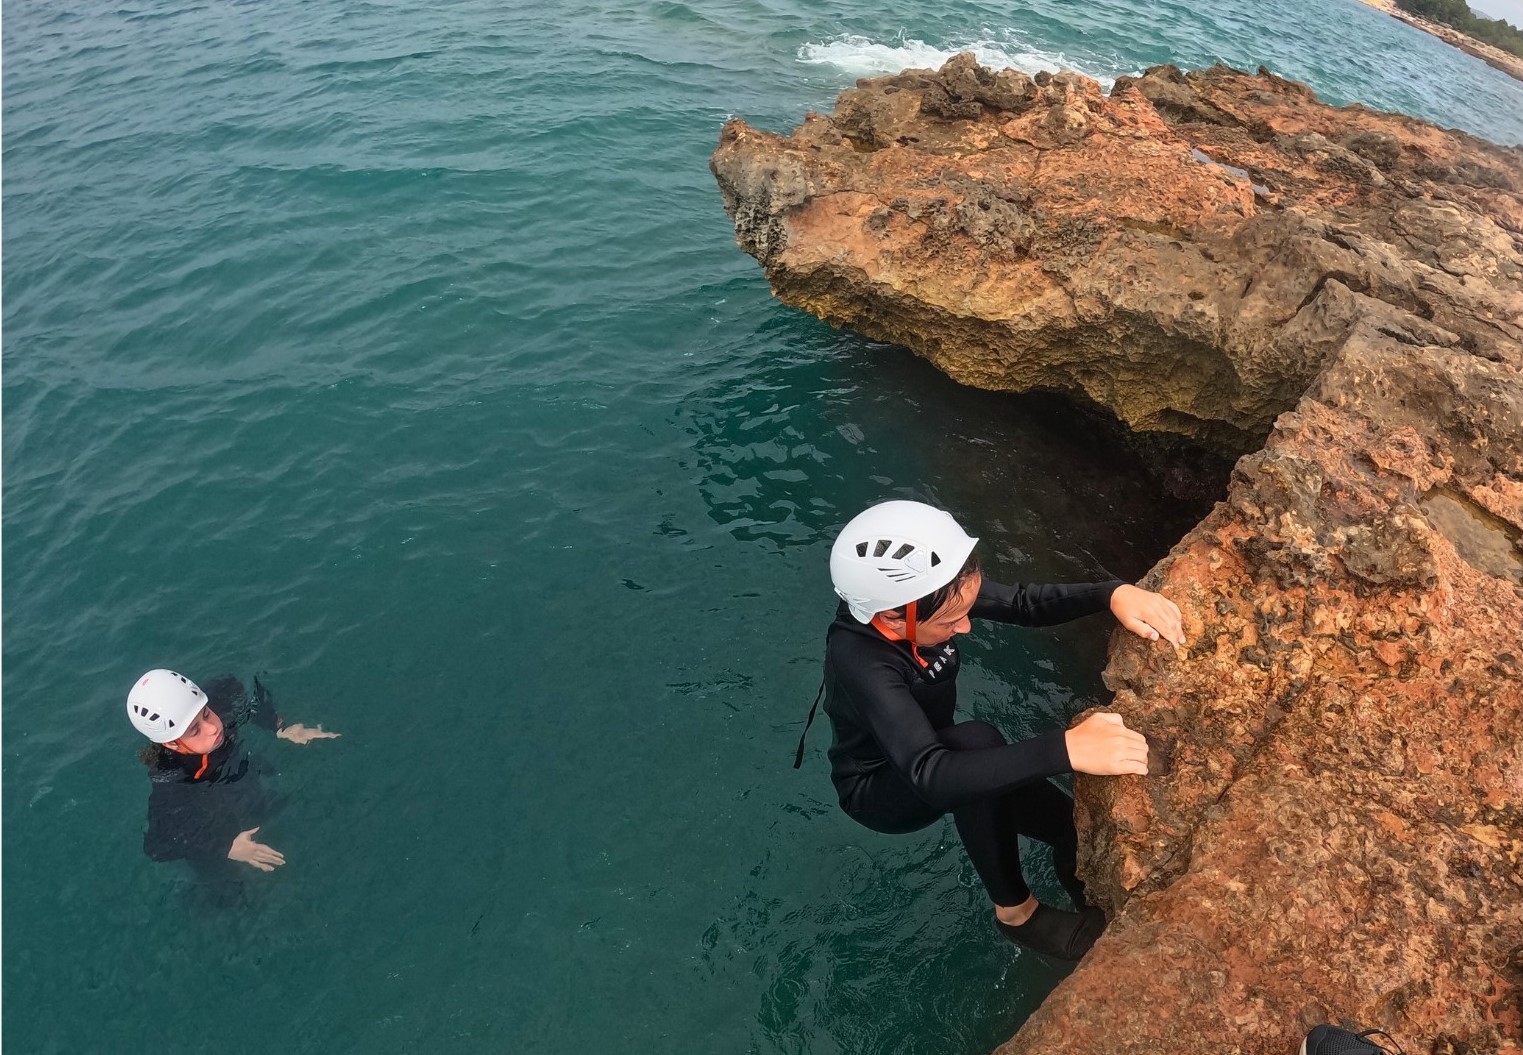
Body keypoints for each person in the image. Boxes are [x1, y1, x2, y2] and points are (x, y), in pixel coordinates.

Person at [809, 500, 1185, 961]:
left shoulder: (927, 598)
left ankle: (1092, 895)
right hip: (883, 787)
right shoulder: (862, 660)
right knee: (976, 740)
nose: (966, 626)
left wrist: (1110, 593)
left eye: (967, 608)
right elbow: (933, 773)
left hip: (938, 754)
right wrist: (1065, 749)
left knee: (1071, 829)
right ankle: (1017, 915)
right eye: (950, 622)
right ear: (891, 617)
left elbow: (1023, 603)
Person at [126, 668, 339, 876]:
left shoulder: (217, 700)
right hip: (210, 812)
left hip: (238, 773)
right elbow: (156, 846)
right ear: (172, 744)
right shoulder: (171, 779)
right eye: (195, 730)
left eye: (206, 713)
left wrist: (278, 726)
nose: (212, 728)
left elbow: (236, 685)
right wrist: (224, 847)